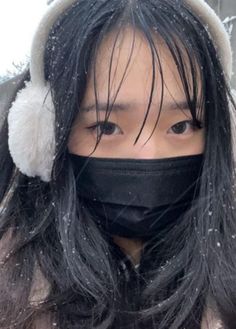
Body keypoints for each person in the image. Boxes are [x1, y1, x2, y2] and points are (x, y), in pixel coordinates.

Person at [0, 0, 235, 328]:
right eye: (106, 127)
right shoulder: (9, 294)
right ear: (44, 138)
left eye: (180, 126)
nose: (148, 155)